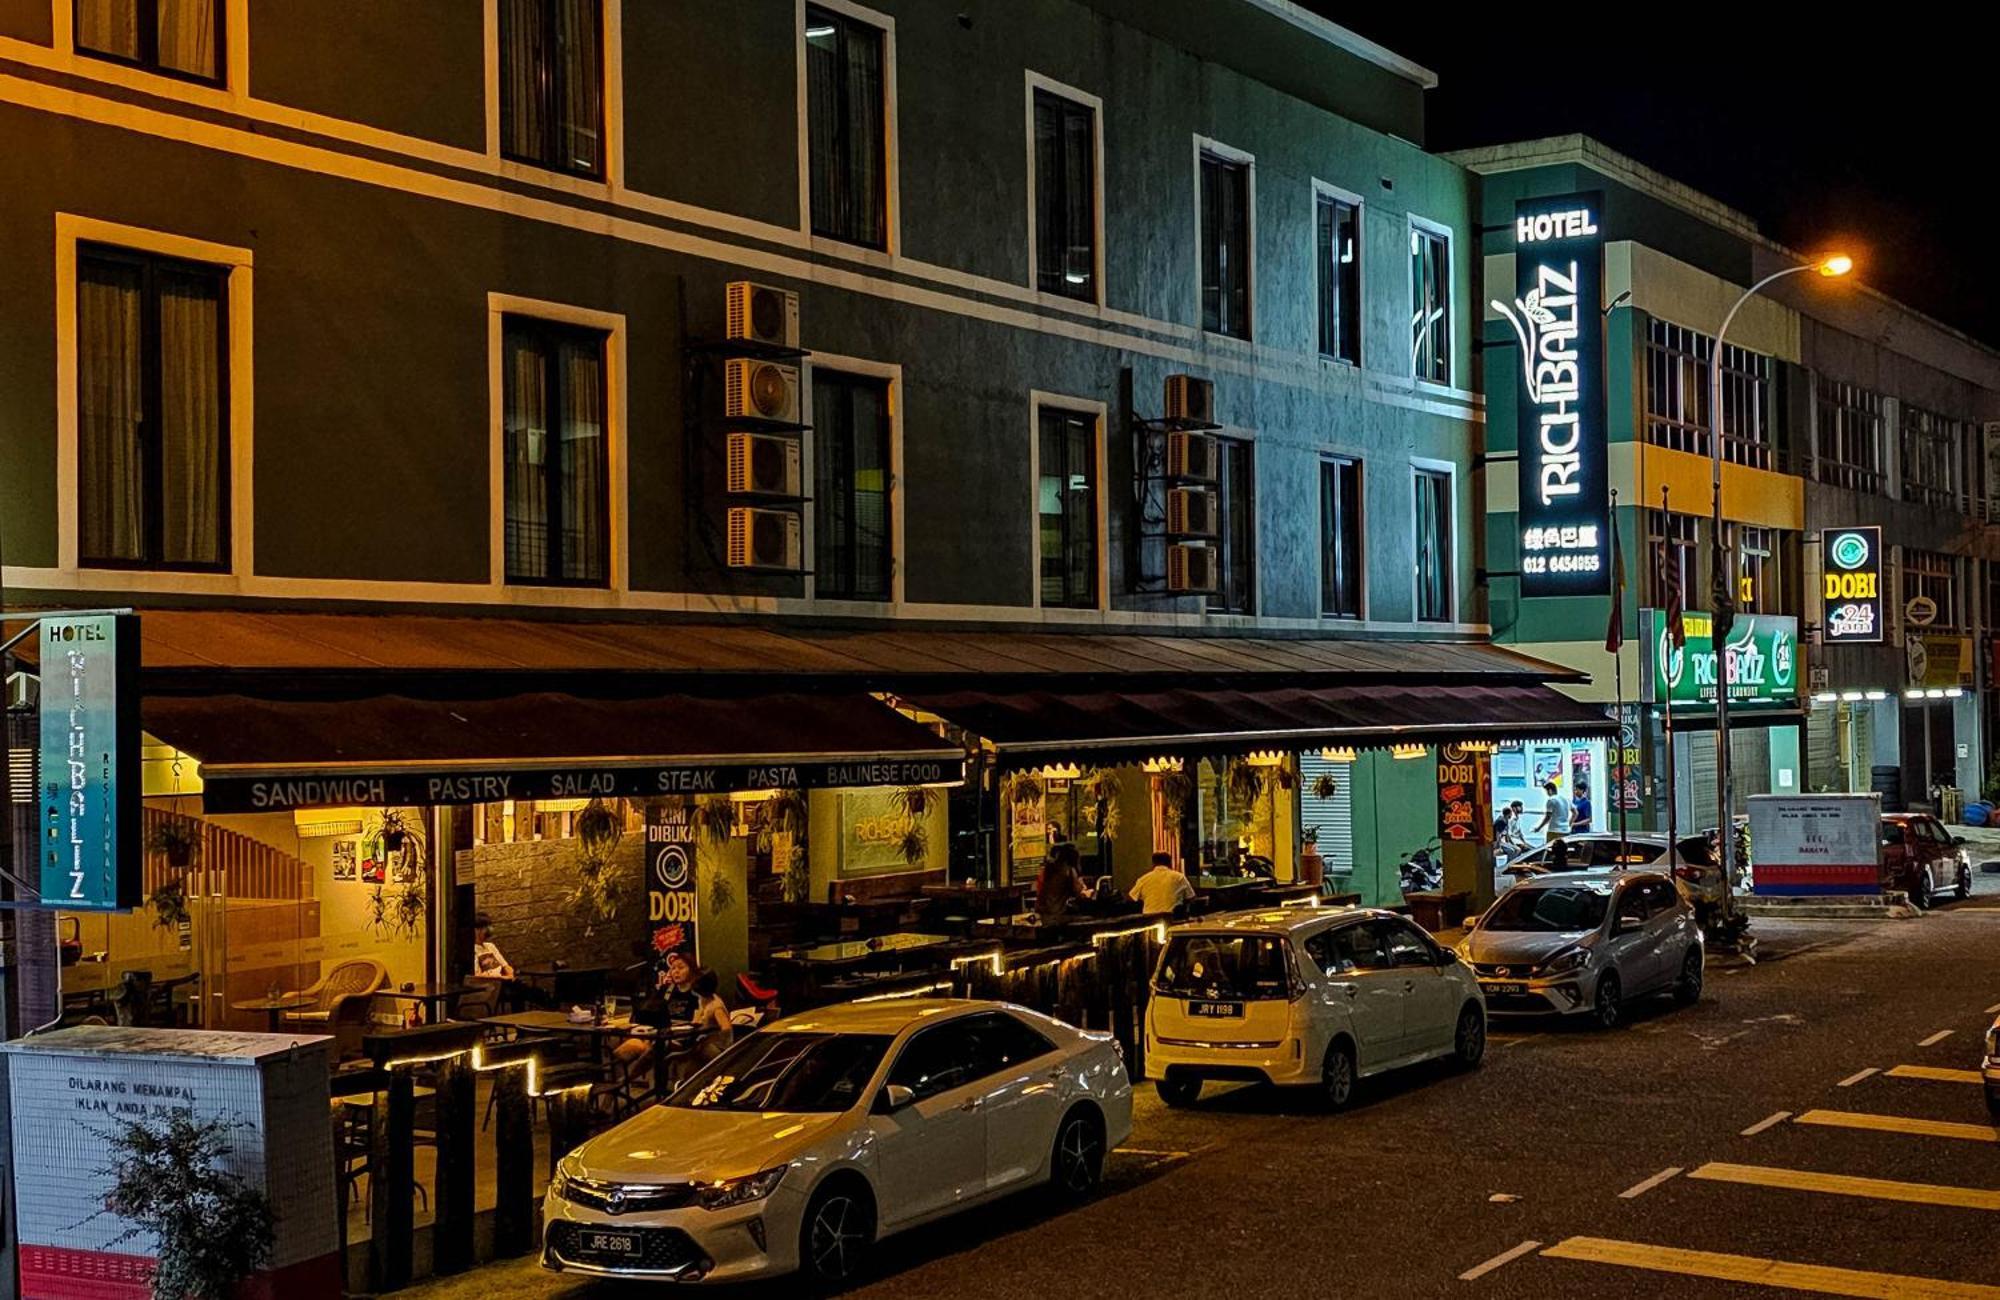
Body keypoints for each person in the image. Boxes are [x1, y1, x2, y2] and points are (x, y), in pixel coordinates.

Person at [1036, 842, 1093, 924]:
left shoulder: (1050, 869)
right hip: (1056, 914)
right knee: (1087, 920)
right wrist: (1088, 892)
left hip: (1043, 914)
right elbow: (1078, 891)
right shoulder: (1068, 871)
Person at [1129, 851, 1196, 917]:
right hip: (1172, 918)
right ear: (1170, 862)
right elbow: (1191, 897)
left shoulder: (1143, 879)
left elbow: (1132, 897)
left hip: (1149, 919)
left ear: (1153, 863)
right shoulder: (1179, 877)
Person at [1532, 781, 1567, 845]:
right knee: (1563, 850)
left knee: (1550, 849)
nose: (1546, 793)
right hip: (1565, 830)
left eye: (1546, 791)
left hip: (1554, 830)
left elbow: (1548, 817)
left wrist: (1539, 828)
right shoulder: (1565, 799)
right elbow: (1575, 812)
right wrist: (1569, 824)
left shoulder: (1551, 800)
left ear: (1550, 790)